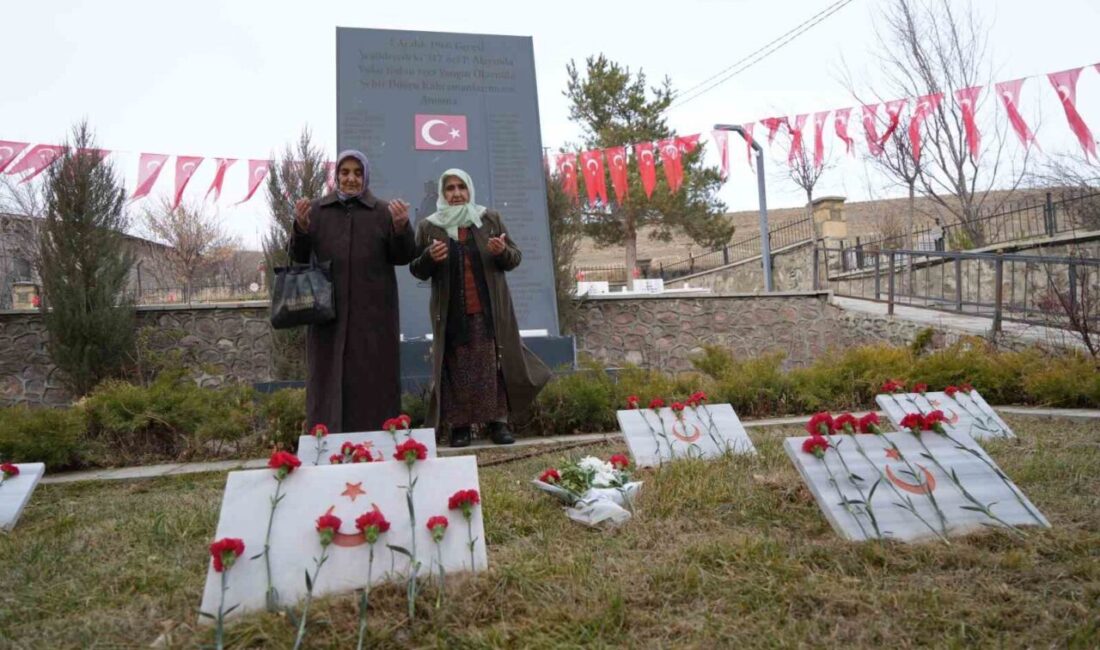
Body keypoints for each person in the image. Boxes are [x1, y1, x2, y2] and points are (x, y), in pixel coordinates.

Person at [410, 168, 551, 447]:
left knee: (492, 366)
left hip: (489, 310)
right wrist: (429, 257)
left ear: (470, 189)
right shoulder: (429, 226)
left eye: (461, 187)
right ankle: (460, 427)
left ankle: (498, 424)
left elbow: (514, 258)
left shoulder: (489, 219)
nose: (456, 194)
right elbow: (417, 270)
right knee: (457, 368)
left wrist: (502, 252)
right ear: (442, 193)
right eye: (450, 188)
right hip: (451, 312)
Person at [290, 150, 415, 432]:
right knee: (327, 377)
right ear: (336, 176)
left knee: (373, 378)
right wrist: (301, 227)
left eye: (357, 173)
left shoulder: (382, 212)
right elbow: (298, 256)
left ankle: (378, 439)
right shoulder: (318, 211)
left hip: (373, 316)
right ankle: (328, 440)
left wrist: (401, 227)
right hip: (327, 315)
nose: (351, 178)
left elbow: (403, 255)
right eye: (345, 172)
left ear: (366, 177)